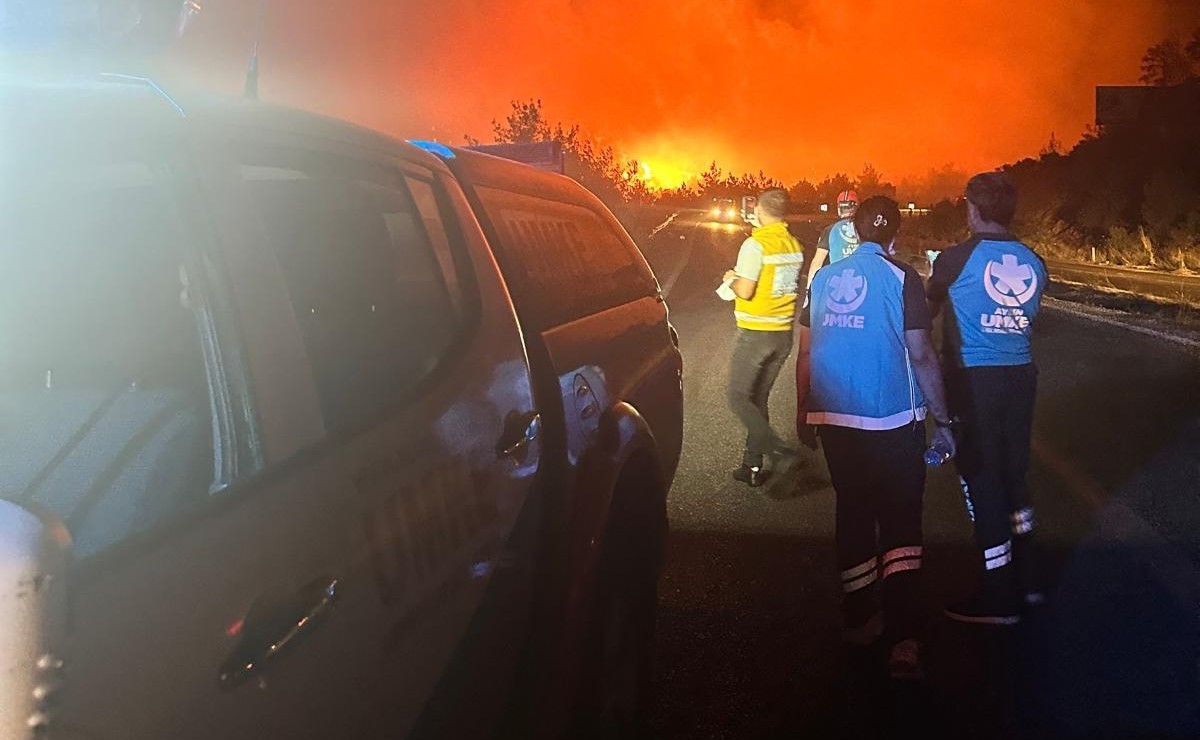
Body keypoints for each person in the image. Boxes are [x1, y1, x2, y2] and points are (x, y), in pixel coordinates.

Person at [796, 196, 955, 679]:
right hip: (892, 422)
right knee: (902, 526)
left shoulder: (822, 280)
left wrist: (803, 411)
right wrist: (944, 420)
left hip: (836, 420)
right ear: (895, 235)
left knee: (854, 516)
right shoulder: (902, 278)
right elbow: (922, 354)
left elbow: (804, 353)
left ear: (855, 232)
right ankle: (904, 640)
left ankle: (860, 620)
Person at [926, 172, 1048, 625]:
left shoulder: (956, 259)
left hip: (973, 379)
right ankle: (1029, 581)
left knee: (982, 479)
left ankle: (998, 594)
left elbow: (926, 309)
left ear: (972, 209)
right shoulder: (1034, 262)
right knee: (1015, 477)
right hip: (1021, 375)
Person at [722, 187, 805, 487]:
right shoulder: (793, 244)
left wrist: (730, 279)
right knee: (758, 399)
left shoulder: (755, 245)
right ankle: (752, 467)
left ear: (757, 208)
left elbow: (745, 290)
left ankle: (780, 453)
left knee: (737, 397)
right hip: (782, 334)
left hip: (756, 333)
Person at [805, 189, 861, 288]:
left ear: (839, 208)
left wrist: (808, 291)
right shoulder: (867, 229)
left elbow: (817, 263)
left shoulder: (829, 230)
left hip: (840, 283)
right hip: (863, 281)